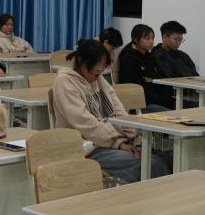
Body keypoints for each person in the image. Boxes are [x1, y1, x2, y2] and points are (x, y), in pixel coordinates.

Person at [52, 39, 168, 183]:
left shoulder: (98, 79)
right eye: (97, 64)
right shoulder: (64, 82)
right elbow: (86, 124)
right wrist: (118, 143)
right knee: (152, 164)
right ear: (81, 61)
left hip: (112, 141)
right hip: (87, 148)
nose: (101, 69)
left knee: (166, 157)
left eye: (103, 64)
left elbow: (119, 112)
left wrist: (135, 139)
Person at [118, 24, 170, 110]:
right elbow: (136, 87)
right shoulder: (129, 59)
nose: (151, 42)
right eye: (147, 39)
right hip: (140, 104)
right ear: (136, 40)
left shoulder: (150, 57)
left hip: (155, 101)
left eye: (152, 38)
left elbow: (159, 80)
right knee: (171, 114)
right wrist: (159, 100)